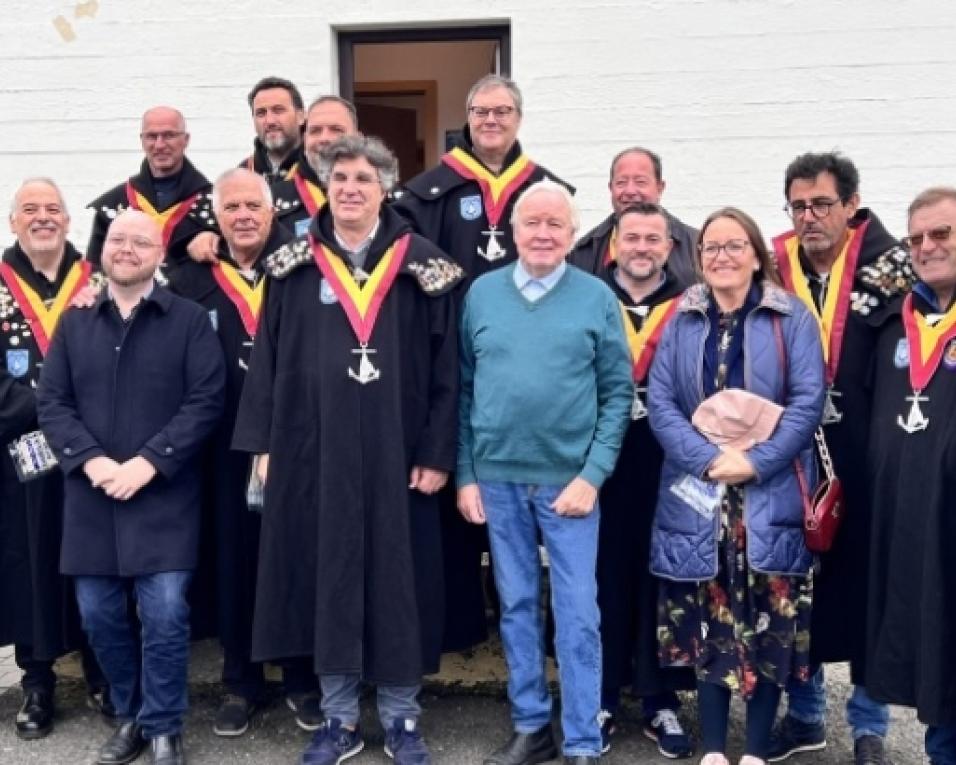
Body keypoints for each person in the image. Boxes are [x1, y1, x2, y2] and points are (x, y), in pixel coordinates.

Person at [233, 135, 463, 765]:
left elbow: (450, 369)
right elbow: (268, 360)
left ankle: (402, 716)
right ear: (326, 188)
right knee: (324, 575)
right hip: (314, 452)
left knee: (398, 579)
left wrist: (440, 452)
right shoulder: (293, 265)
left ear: (385, 187)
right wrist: (263, 446)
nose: (352, 189)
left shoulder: (425, 266)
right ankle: (337, 719)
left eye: (365, 177)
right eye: (341, 179)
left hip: (401, 453)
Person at [36, 209, 225, 765]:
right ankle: (132, 713)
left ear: (159, 254)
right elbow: (52, 403)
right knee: (97, 614)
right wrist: (92, 463)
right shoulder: (74, 324)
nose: (126, 249)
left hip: (164, 496)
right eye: (117, 239)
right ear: (103, 250)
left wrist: (149, 463)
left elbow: (206, 400)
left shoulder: (189, 320)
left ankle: (163, 725)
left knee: (165, 613)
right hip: (92, 496)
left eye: (139, 241)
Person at [394, 73, 573, 654]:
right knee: (456, 496)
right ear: (466, 119)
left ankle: (529, 627)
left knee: (521, 500)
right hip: (450, 349)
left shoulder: (545, 190)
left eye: (502, 111)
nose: (491, 121)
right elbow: (408, 262)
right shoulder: (428, 193)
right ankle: (460, 627)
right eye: (480, 111)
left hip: (527, 362)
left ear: (519, 118)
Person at [457, 179, 633, 765]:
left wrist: (593, 475)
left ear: (572, 233)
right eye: (532, 222)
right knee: (514, 606)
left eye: (556, 223)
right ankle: (532, 726)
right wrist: (465, 473)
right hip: (498, 480)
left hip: (570, 486)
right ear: (512, 231)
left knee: (579, 612)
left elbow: (617, 393)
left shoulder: (594, 298)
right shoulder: (481, 294)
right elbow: (463, 389)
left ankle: (582, 738)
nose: (543, 233)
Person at [648, 207, 824, 765]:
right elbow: (661, 402)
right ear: (699, 259)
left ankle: (754, 750)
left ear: (755, 254)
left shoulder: (789, 317)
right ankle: (716, 749)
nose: (722, 256)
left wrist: (757, 461)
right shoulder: (684, 317)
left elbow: (807, 403)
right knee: (710, 614)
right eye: (711, 248)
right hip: (700, 491)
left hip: (767, 491)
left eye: (733, 245)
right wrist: (705, 459)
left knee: (768, 619)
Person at [768, 152, 911, 765]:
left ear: (851, 206)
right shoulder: (775, 265)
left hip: (869, 451)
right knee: (798, 583)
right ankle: (803, 716)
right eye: (798, 205)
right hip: (797, 452)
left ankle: (869, 723)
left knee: (866, 586)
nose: (809, 217)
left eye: (822, 204)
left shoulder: (892, 267)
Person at [166, 168, 321, 736]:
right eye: (231, 207)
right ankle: (241, 681)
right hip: (221, 447)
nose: (243, 216)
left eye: (253, 205)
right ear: (217, 216)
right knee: (233, 562)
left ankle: (302, 678)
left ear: (272, 212)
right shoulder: (188, 280)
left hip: (294, 443)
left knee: (295, 557)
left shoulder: (303, 271)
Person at [0, 178, 111, 739]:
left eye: (53, 209)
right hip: (21, 452)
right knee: (28, 560)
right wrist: (50, 409)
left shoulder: (100, 283)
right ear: (13, 222)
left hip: (94, 450)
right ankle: (37, 679)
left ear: (69, 222)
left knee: (96, 558)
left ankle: (101, 670)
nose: (42, 218)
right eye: (30, 210)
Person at [588, 202, 695, 757]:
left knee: (665, 578)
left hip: (667, 463)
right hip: (599, 462)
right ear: (614, 245)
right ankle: (601, 696)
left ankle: (662, 702)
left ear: (670, 247)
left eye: (654, 238)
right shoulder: (585, 297)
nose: (642, 247)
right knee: (601, 578)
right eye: (632, 237)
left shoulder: (691, 305)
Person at [865, 186, 956, 765]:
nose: (926, 246)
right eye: (916, 237)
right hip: (921, 522)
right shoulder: (899, 328)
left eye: (941, 233)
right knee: (936, 646)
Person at [86, 106, 218, 271]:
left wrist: (217, 239)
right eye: (151, 136)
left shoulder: (217, 204)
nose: (159, 144)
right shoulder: (114, 205)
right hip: (128, 295)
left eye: (169, 135)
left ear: (186, 140)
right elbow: (95, 272)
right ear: (142, 140)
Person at [570, 146, 698, 288]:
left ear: (660, 187)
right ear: (610, 188)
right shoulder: (583, 251)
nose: (630, 191)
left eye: (640, 182)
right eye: (621, 182)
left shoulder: (696, 246)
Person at [270, 95, 359, 237]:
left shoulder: (384, 195)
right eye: (315, 131)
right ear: (305, 139)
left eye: (336, 129)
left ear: (358, 138)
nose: (324, 138)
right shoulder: (269, 200)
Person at [240, 76, 305, 185]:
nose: (270, 121)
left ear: (301, 117)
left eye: (278, 110)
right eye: (261, 113)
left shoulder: (319, 169)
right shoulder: (243, 174)